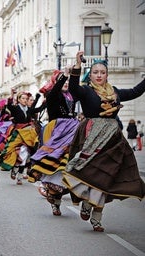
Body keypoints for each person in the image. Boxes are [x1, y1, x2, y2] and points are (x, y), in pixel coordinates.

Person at [62, 51, 145, 232]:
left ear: (107, 74)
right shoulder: (86, 91)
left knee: (106, 177)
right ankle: (86, 202)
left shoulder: (115, 92)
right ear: (90, 74)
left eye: (102, 72)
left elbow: (135, 91)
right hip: (91, 136)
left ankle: (97, 216)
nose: (99, 75)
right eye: (96, 72)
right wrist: (77, 66)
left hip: (113, 140)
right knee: (89, 172)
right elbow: (73, 90)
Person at [28, 67, 79, 216]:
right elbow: (55, 90)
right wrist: (63, 76)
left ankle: (57, 196)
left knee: (70, 165)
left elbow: (78, 90)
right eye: (62, 80)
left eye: (67, 81)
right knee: (56, 164)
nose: (66, 83)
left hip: (73, 130)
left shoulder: (71, 96)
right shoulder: (52, 95)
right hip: (57, 131)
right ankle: (55, 201)